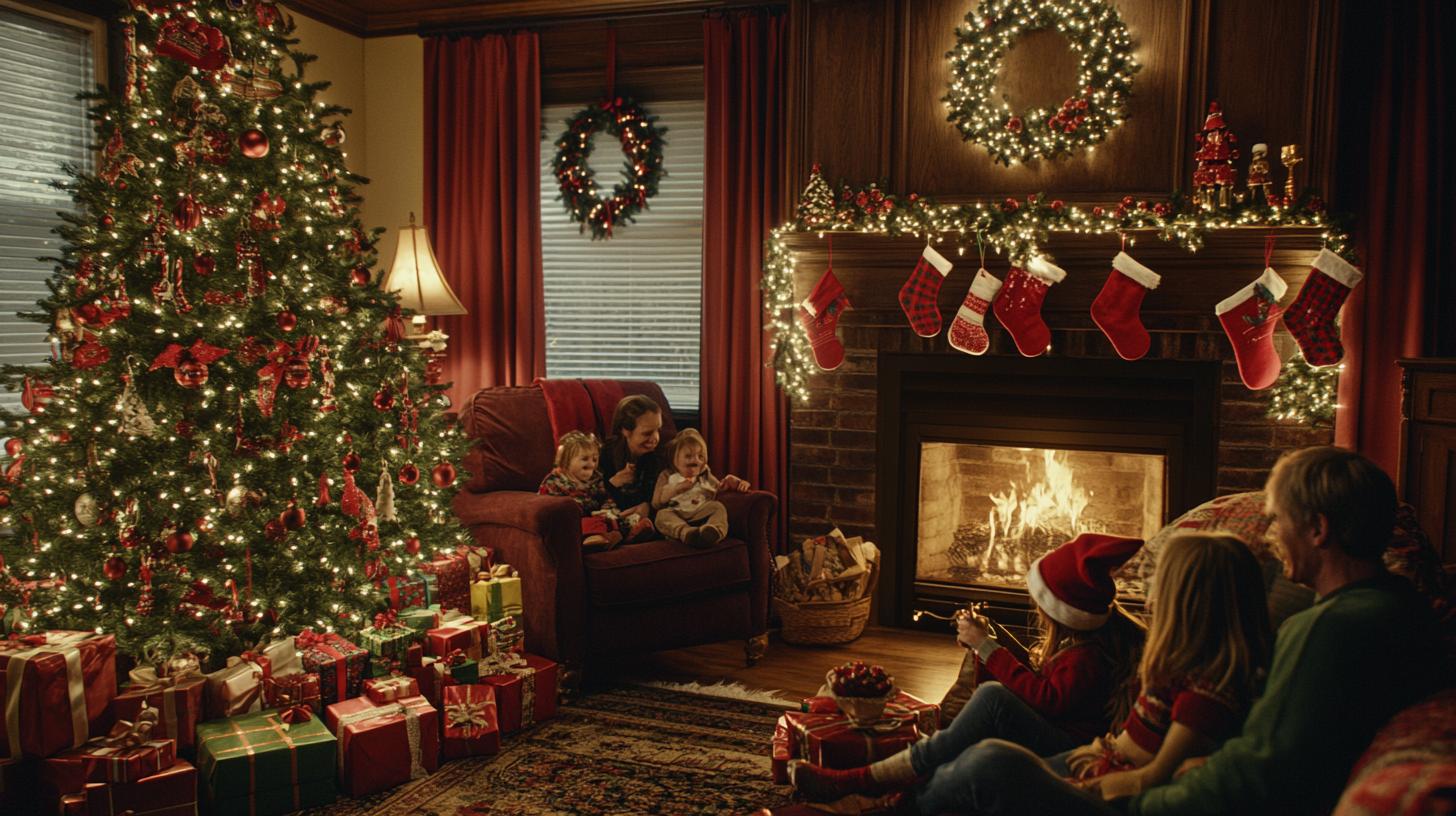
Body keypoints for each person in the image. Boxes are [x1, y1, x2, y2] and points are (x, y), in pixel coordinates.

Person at [889, 446, 1452, 816]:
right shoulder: (1396, 609)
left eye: (1279, 520)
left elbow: (1256, 774)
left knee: (992, 762)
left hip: (1156, 798)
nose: (1273, 535)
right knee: (990, 748)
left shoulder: (1332, 628)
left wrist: (1136, 789)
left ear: (1319, 528)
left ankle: (897, 800)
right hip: (1152, 769)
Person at [791, 533, 1148, 803]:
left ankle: (864, 779)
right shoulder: (1089, 642)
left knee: (992, 698)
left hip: (1069, 746)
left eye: (1040, 601)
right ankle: (894, 777)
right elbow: (1045, 685)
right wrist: (991, 646)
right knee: (982, 711)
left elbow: (1047, 698)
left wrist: (986, 646)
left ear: (1061, 612)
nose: (1036, 609)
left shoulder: (1088, 658)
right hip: (1059, 733)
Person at [538, 431, 653, 549]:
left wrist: (609, 511)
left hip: (597, 521)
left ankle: (620, 535)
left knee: (616, 520)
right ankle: (610, 537)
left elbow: (606, 499)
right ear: (566, 461)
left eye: (594, 459)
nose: (592, 464)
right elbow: (548, 508)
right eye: (585, 459)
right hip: (574, 525)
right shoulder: (555, 481)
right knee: (587, 523)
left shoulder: (596, 481)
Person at [651, 428, 749, 548]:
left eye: (700, 456)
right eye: (688, 456)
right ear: (674, 458)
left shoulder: (704, 474)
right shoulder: (667, 475)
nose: (695, 461)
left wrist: (731, 481)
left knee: (717, 506)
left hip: (701, 512)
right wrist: (677, 489)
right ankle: (686, 533)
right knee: (661, 515)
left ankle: (713, 531)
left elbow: (717, 489)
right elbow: (657, 503)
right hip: (678, 514)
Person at [601, 394, 668, 522]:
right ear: (626, 431)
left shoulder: (658, 460)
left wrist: (649, 507)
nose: (655, 439)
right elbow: (587, 497)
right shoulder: (603, 455)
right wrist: (612, 484)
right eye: (647, 433)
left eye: (657, 430)